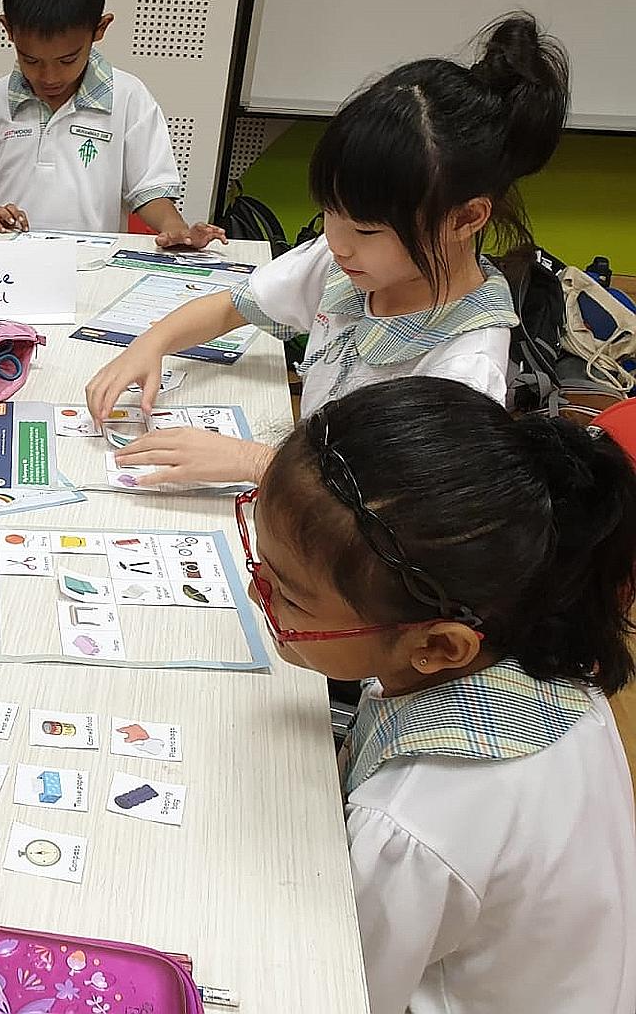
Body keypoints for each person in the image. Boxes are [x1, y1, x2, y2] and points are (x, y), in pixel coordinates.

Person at [240, 377, 636, 1014]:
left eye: (289, 593)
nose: (259, 595)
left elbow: (325, 987)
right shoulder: (543, 660)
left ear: (440, 646)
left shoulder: (409, 828)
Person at [87, 12, 569, 487]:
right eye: (329, 213)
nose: (336, 244)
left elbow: (396, 507)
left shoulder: (466, 365)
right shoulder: (350, 262)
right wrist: (150, 345)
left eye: (366, 230)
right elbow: (231, 306)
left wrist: (255, 463)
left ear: (465, 219)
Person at [0, 0, 223, 247]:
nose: (49, 76)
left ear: (99, 29)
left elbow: (150, 190)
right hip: (8, 269)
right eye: (31, 59)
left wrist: (175, 227)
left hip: (92, 265)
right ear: (8, 30)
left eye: (67, 59)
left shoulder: (129, 98)